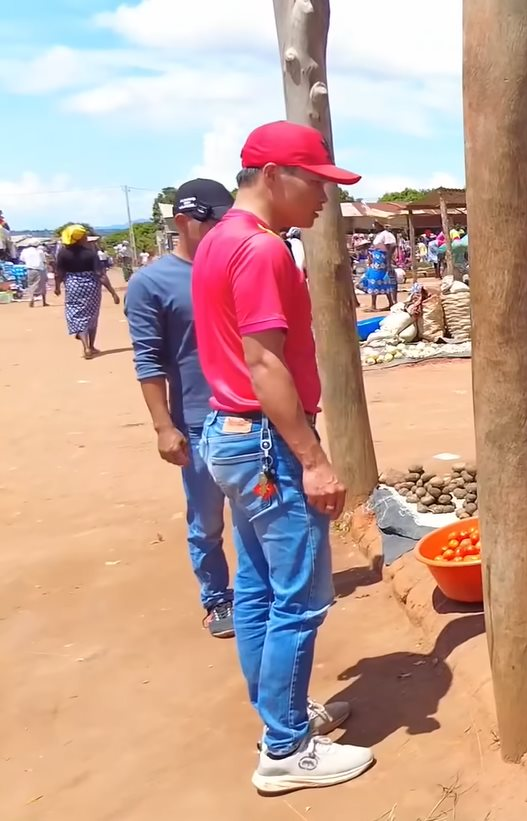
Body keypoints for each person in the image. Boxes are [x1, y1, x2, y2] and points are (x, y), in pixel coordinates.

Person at [191, 120, 371, 792]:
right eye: (317, 183)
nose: (326, 198)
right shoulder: (263, 251)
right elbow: (264, 363)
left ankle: (281, 715)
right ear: (273, 178)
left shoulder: (218, 241)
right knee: (299, 598)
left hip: (230, 434)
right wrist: (314, 457)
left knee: (261, 592)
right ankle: (286, 748)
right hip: (265, 441)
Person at [124, 178, 237, 639]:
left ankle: (259, 593)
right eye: (213, 221)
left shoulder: (235, 267)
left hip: (248, 415)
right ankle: (217, 599)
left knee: (260, 511)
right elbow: (148, 360)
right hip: (195, 419)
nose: (221, 229)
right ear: (183, 222)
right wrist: (162, 426)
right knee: (207, 518)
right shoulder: (151, 283)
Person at [56, 225, 112, 358]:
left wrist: (57, 287)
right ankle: (91, 346)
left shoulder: (63, 253)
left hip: (73, 286)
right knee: (92, 315)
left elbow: (59, 273)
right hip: (91, 286)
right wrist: (112, 292)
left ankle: (86, 347)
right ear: (80, 238)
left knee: (77, 314)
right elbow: (100, 274)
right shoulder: (91, 253)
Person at [360, 242, 396, 311]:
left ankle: (374, 306)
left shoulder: (372, 251)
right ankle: (390, 303)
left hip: (377, 270)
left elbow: (371, 261)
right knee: (385, 286)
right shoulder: (381, 251)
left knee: (374, 285)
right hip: (382, 269)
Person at [20, 242, 49, 307]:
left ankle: (31, 298)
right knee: (42, 285)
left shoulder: (25, 251)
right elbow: (44, 261)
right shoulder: (40, 251)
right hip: (40, 269)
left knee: (31, 285)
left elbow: (22, 259)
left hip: (30, 269)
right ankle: (44, 302)